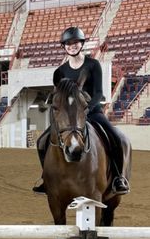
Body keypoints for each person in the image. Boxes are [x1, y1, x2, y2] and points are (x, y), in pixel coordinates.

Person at [32, 26, 130, 196]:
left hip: (93, 112)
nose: (72, 46)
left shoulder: (93, 64)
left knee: (117, 139)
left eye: (75, 42)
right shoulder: (60, 71)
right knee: (42, 141)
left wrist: (86, 109)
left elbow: (99, 93)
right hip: (69, 117)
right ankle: (46, 178)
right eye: (68, 44)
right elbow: (61, 96)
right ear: (64, 46)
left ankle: (118, 178)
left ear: (81, 44)